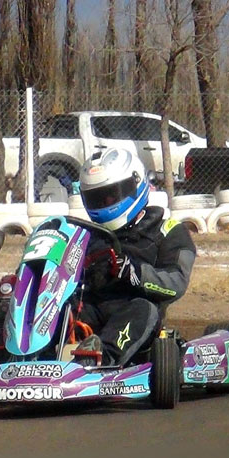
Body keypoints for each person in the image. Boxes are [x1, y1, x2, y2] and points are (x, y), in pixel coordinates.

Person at [71, 147, 196, 367]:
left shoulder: (167, 231)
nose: (104, 203)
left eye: (110, 195)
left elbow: (176, 283)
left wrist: (136, 273)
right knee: (56, 307)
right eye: (96, 198)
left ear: (134, 185)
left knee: (143, 309)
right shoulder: (85, 236)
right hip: (89, 309)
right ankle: (17, 355)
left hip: (132, 310)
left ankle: (102, 359)